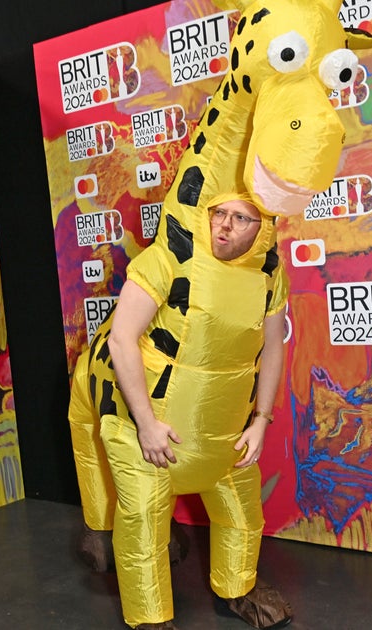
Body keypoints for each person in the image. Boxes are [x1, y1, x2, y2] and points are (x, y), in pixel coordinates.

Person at [88, 195, 292, 630]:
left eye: (240, 218)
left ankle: (238, 587)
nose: (224, 225)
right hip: (144, 421)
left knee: (242, 511)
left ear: (263, 226)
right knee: (142, 519)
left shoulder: (269, 274)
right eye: (218, 213)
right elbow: (121, 340)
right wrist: (144, 424)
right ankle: (147, 615)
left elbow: (273, 345)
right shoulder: (167, 260)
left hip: (224, 429)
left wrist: (261, 420)